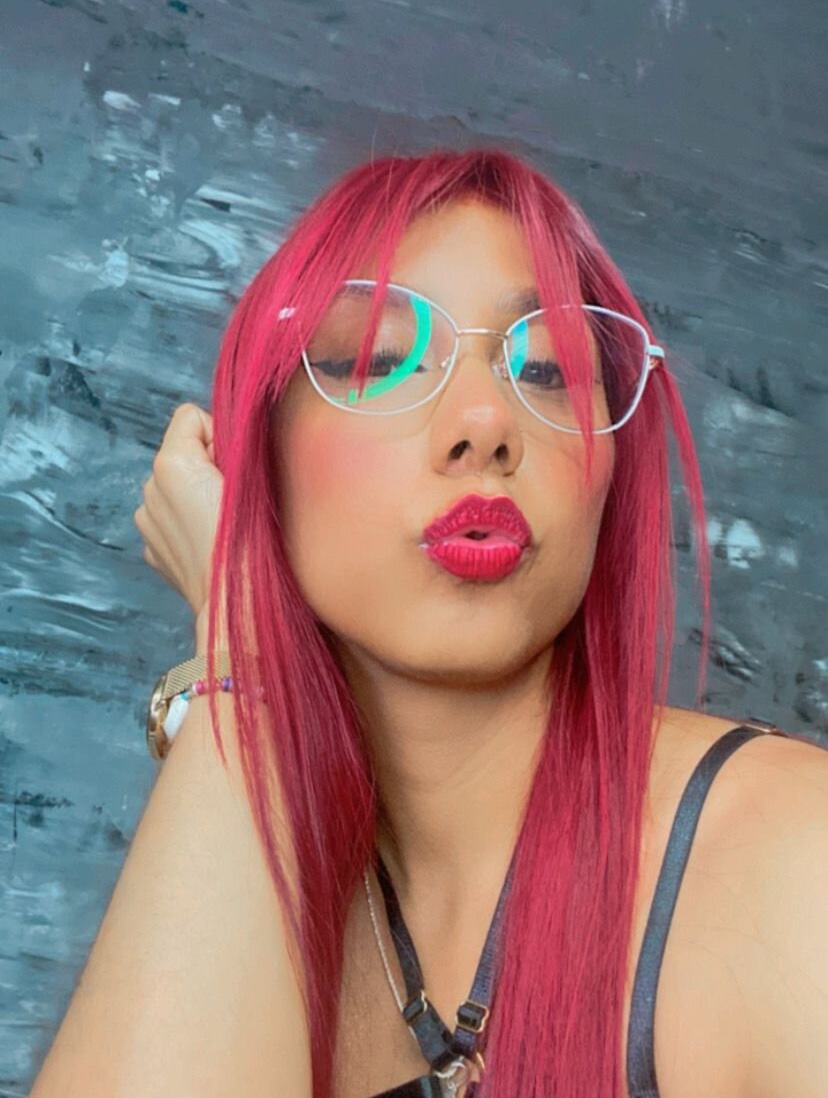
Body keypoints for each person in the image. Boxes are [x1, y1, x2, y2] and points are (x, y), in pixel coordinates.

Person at [30, 149, 828, 1098]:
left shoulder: (792, 860)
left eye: (546, 369)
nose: (487, 421)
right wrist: (234, 652)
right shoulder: (240, 896)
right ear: (256, 452)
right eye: (378, 359)